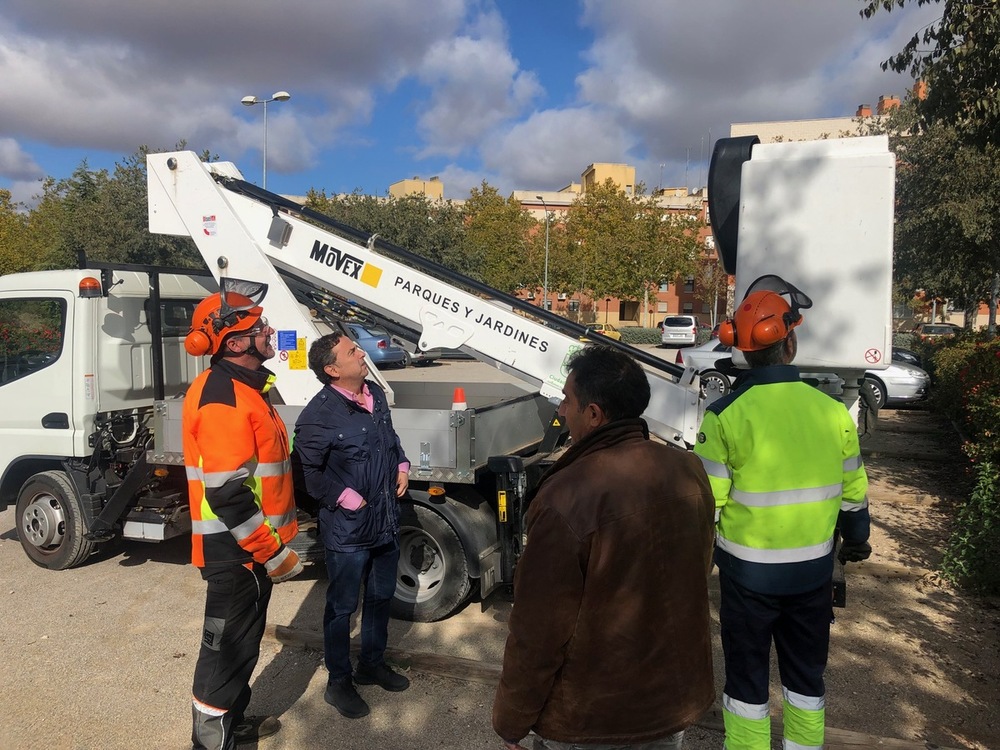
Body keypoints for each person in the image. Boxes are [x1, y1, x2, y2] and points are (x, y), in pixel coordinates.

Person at [493, 345, 717, 750]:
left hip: (592, 719)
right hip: (669, 703)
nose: (562, 409)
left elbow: (539, 630)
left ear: (594, 414)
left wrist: (512, 721)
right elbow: (697, 569)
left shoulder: (567, 496)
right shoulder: (688, 470)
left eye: (567, 399)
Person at [695, 275, 872, 750]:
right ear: (790, 342)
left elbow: (707, 503)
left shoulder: (724, 415)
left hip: (747, 580)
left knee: (747, 683)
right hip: (812, 575)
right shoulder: (832, 412)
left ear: (744, 351)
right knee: (806, 680)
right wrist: (857, 537)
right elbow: (854, 489)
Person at [181, 280, 302, 750]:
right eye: (260, 327)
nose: (270, 332)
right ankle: (212, 744)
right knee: (223, 653)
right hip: (239, 554)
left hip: (247, 551)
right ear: (234, 343)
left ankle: (234, 722)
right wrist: (272, 553)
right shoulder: (223, 398)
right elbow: (229, 494)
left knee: (242, 646)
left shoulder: (246, 388)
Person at [293, 331, 411, 719]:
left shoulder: (374, 395)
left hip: (385, 522)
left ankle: (371, 665)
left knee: (380, 599)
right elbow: (307, 476)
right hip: (348, 530)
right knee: (343, 607)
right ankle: (338, 681)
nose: (361, 353)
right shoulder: (318, 415)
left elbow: (390, 440)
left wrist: (402, 465)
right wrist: (347, 498)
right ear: (332, 369)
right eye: (351, 351)